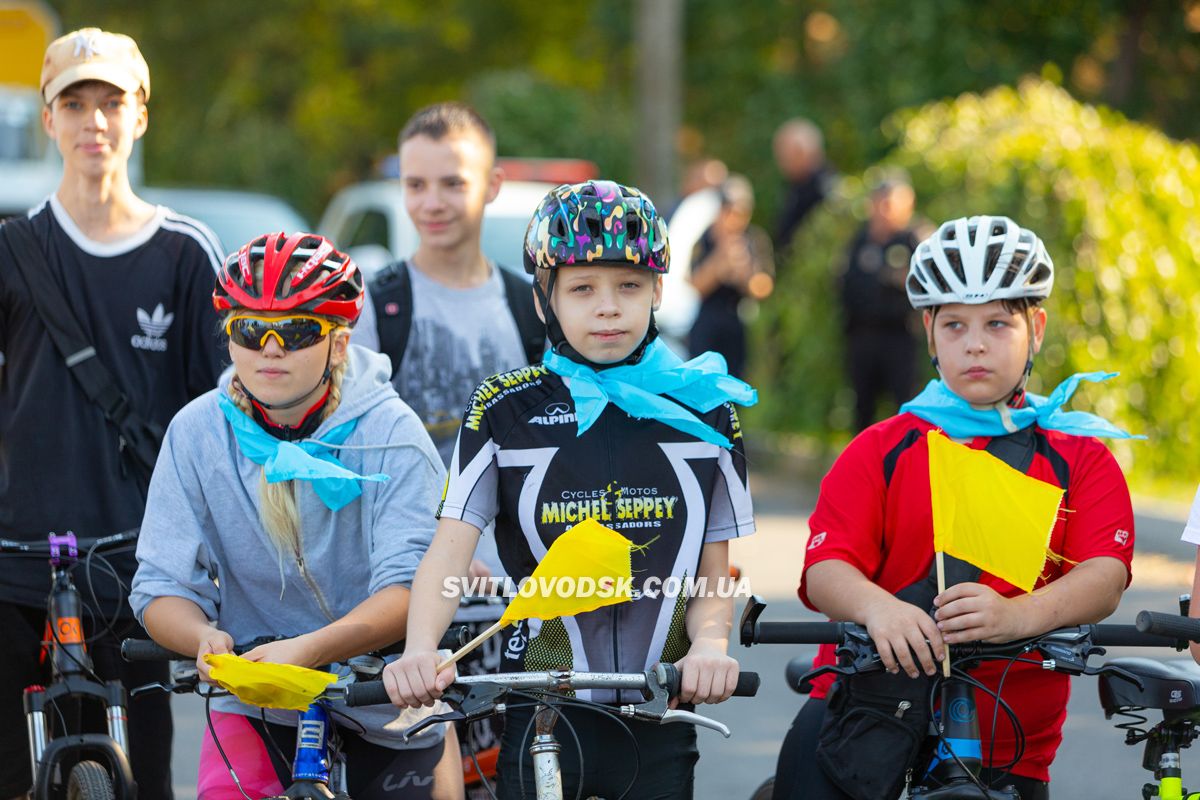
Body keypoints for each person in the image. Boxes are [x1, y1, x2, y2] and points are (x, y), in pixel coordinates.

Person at [381, 180, 758, 799]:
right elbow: (447, 553)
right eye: (582, 288)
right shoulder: (503, 409)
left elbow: (713, 574)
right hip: (541, 714)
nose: (607, 307)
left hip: (660, 712)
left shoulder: (707, 410)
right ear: (543, 300)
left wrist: (713, 644)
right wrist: (421, 650)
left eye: (629, 286)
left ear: (659, 290)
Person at [771, 216, 1138, 800]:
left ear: (1035, 328)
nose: (974, 343)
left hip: (1006, 736)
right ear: (928, 332)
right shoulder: (882, 447)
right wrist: (879, 609)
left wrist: (1019, 617)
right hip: (866, 713)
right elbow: (826, 568)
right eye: (955, 325)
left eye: (997, 323)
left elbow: (1105, 575)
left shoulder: (1080, 456)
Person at [128, 233, 462, 800]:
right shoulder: (195, 432)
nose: (272, 348)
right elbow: (160, 584)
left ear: (338, 344)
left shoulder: (392, 435)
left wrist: (310, 650)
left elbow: (411, 587)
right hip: (257, 697)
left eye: (299, 330)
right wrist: (203, 637)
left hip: (386, 693)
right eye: (251, 330)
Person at [0, 28, 225, 800]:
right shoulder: (13, 251)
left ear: (140, 118)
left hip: (141, 571)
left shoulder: (186, 255)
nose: (94, 120)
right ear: (50, 118)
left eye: (111, 102)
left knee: (144, 781)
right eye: (75, 103)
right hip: (15, 561)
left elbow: (224, 420)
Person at [838, 172, 925, 431]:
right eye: (880, 203)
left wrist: (904, 280)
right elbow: (844, 284)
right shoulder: (860, 241)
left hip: (900, 337)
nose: (884, 211)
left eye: (891, 204)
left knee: (906, 407)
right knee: (862, 408)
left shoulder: (915, 239)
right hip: (862, 336)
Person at [687, 174, 774, 377]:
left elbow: (765, 287)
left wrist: (744, 273)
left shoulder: (754, 239)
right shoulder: (705, 238)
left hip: (737, 317)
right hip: (707, 320)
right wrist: (719, 264)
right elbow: (695, 285)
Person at [772, 117, 835, 252]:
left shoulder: (824, 186)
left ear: (800, 152)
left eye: (784, 155)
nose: (781, 163)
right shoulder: (797, 185)